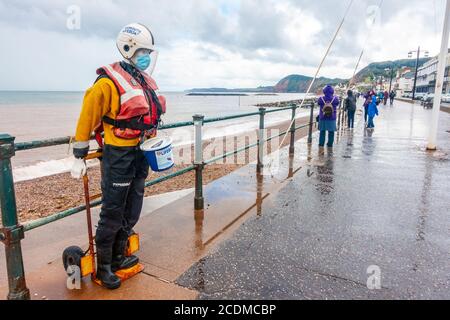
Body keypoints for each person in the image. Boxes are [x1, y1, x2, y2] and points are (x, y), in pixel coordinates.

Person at [70, 23, 166, 289]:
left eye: (149, 51)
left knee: (132, 206)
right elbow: (87, 115)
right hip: (118, 153)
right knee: (112, 210)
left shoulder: (143, 80)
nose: (147, 56)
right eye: (143, 50)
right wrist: (78, 154)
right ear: (129, 48)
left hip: (141, 152)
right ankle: (104, 267)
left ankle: (119, 256)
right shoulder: (107, 82)